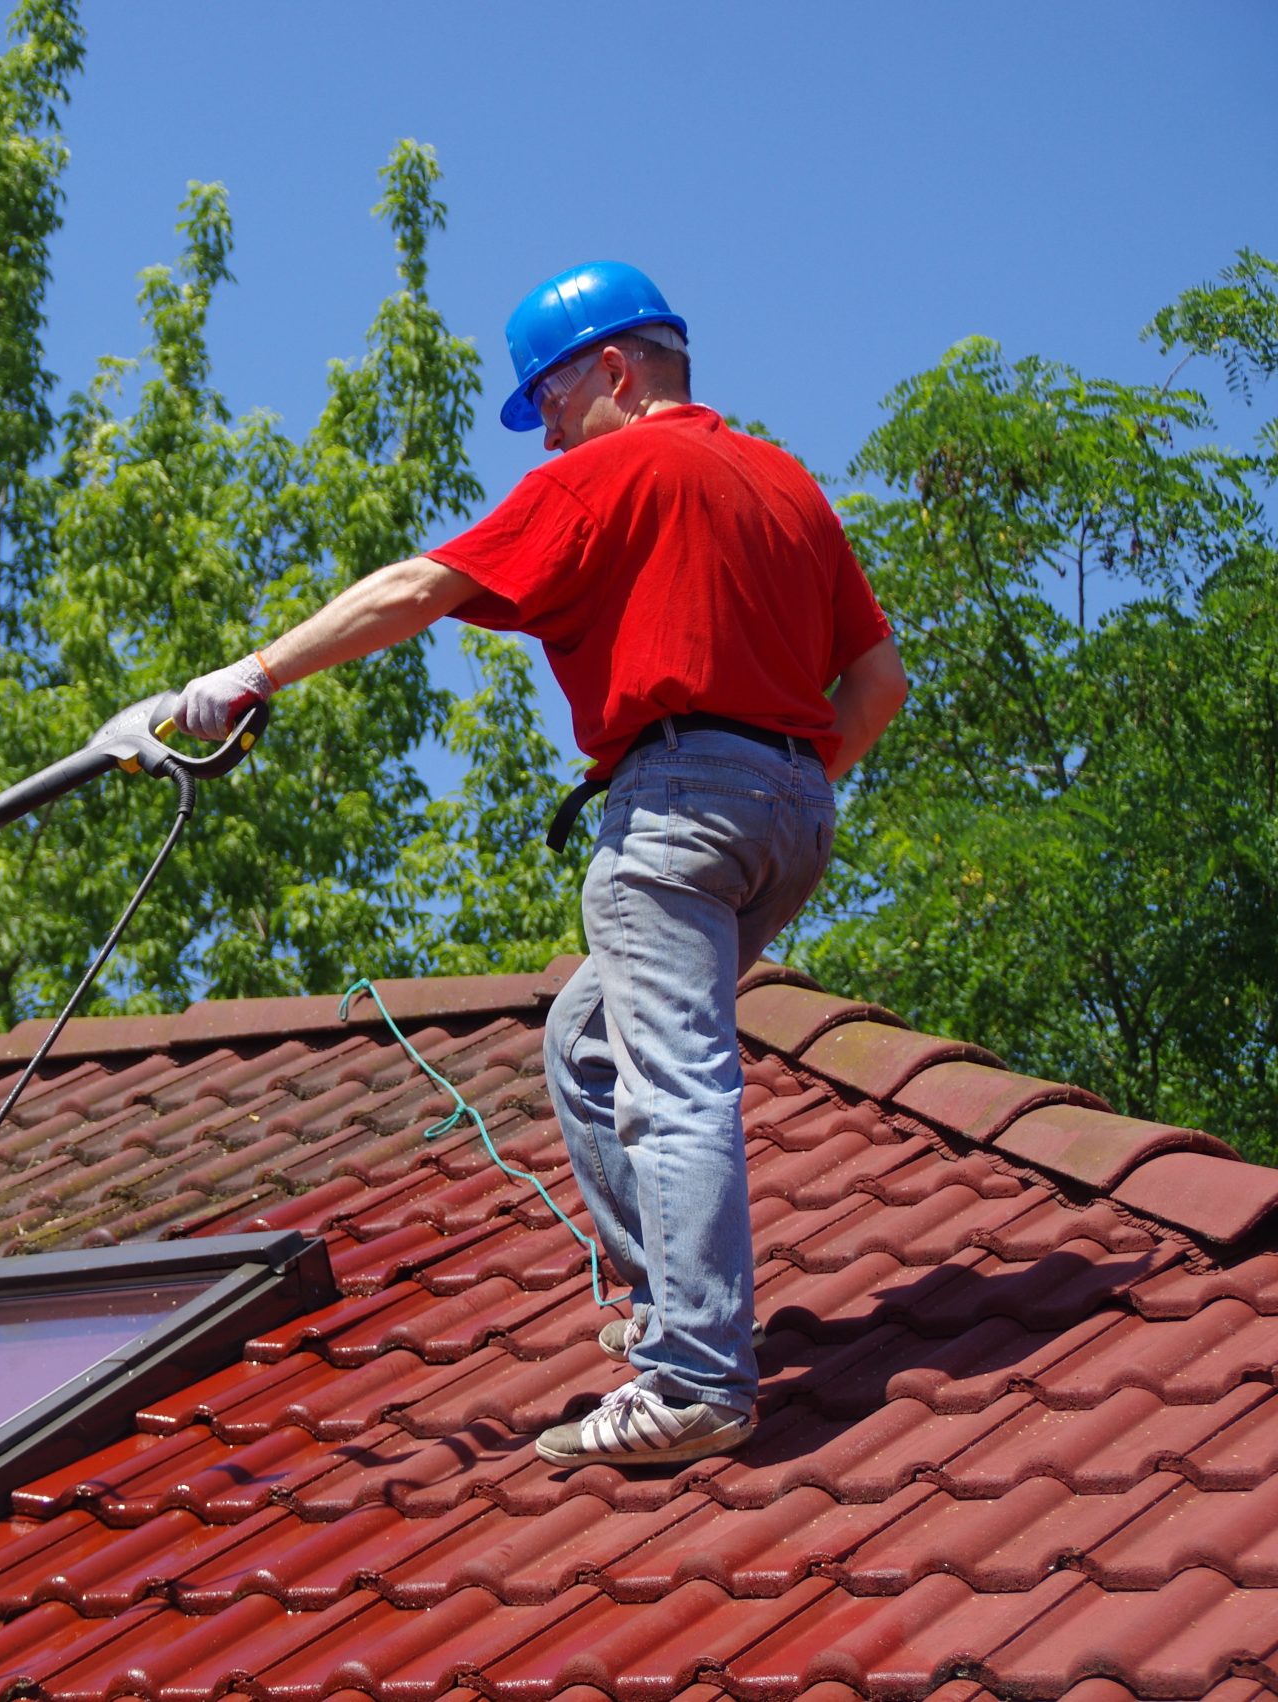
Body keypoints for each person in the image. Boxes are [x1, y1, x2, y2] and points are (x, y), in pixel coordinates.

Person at [173, 260, 908, 1468]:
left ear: (614, 370)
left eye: (549, 400)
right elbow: (875, 683)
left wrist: (251, 675)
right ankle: (673, 1310)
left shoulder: (611, 469)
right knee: (584, 1038)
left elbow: (419, 586)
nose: (545, 430)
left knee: (671, 1078)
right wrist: (787, 788)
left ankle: (694, 1378)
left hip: (675, 803)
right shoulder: (785, 485)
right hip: (791, 814)